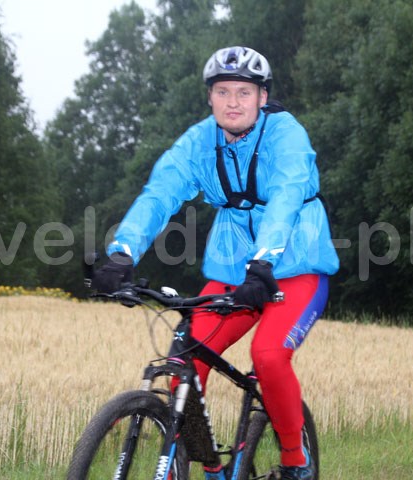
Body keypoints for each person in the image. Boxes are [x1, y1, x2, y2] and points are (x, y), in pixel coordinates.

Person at [91, 46, 339, 480]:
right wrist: (122, 252)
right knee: (184, 361)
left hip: (296, 268)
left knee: (268, 356)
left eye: (244, 92)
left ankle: (296, 461)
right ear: (209, 97)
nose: (233, 102)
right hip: (232, 272)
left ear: (263, 97)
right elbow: (159, 194)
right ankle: (211, 468)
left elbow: (286, 197)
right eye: (223, 92)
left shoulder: (286, 136)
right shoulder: (199, 142)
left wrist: (264, 262)